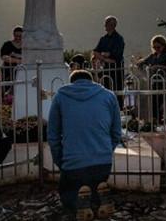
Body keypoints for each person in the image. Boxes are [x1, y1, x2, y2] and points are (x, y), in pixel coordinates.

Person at [47, 70, 121, 220]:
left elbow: (53, 136)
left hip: (73, 163)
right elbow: (116, 133)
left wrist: (60, 161)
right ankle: (97, 199)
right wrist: (106, 151)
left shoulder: (61, 96)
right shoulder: (109, 96)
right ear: (92, 81)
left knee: (67, 195)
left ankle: (78, 204)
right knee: (95, 186)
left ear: (71, 82)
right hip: (103, 163)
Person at [92, 16, 125, 108]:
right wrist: (105, 58)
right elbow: (95, 52)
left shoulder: (119, 39)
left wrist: (104, 56)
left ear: (112, 25)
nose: (105, 25)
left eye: (107, 24)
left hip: (117, 69)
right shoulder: (103, 39)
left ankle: (119, 109)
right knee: (106, 90)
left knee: (117, 90)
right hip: (106, 69)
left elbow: (117, 56)